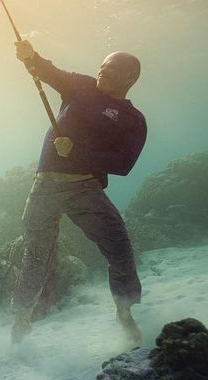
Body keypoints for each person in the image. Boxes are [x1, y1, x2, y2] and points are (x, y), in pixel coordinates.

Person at [9, 39, 146, 345]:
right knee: (36, 256)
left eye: (111, 68)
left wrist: (78, 151)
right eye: (102, 65)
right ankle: (21, 320)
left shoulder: (133, 120)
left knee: (120, 248)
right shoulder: (81, 86)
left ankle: (125, 313)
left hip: (86, 188)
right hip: (45, 186)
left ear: (130, 77)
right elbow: (48, 72)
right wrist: (31, 56)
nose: (102, 71)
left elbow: (123, 164)